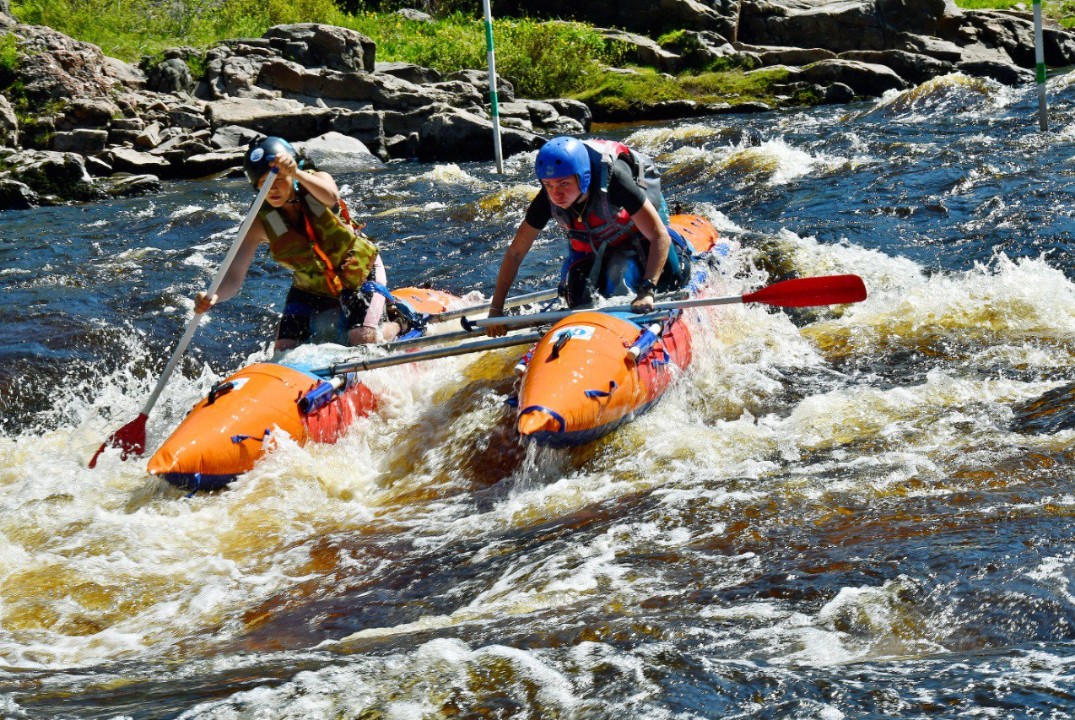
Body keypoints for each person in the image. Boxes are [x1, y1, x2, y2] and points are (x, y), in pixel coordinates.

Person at [195, 136, 399, 350]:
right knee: (284, 347)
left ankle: (399, 324)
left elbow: (331, 196)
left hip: (360, 271)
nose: (272, 189)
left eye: (278, 179)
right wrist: (214, 296)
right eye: (264, 184)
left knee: (360, 337)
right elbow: (235, 274)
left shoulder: (315, 181)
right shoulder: (258, 221)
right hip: (310, 285)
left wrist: (295, 173)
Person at [485, 135, 691, 336]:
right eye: (548, 185)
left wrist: (647, 290)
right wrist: (496, 309)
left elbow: (658, 237)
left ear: (582, 177)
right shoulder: (546, 198)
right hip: (596, 237)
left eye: (564, 184)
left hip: (640, 226)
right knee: (578, 297)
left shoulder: (615, 179)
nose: (556, 194)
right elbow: (515, 253)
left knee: (669, 279)